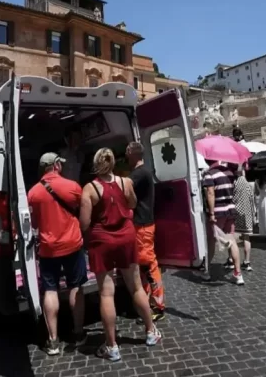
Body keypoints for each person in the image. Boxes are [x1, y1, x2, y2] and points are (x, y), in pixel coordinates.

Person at [79, 148, 160, 362]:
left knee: (106, 294)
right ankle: (151, 331)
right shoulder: (126, 182)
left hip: (102, 242)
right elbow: (132, 204)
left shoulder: (89, 189)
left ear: (95, 164)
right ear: (114, 163)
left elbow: (84, 223)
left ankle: (112, 346)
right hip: (126, 237)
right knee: (136, 287)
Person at [27, 152, 87, 356]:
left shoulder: (33, 193)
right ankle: (78, 333)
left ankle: (53, 341)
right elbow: (83, 210)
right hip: (72, 245)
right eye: (60, 163)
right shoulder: (73, 187)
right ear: (55, 166)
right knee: (75, 286)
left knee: (50, 290)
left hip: (48, 248)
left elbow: (34, 223)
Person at [126, 142, 165, 322]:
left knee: (148, 266)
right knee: (144, 267)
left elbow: (124, 186)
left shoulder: (139, 174)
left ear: (131, 153)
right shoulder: (143, 172)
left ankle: (157, 306)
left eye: (127, 153)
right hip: (142, 224)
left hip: (142, 225)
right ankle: (148, 303)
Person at [202, 160, 244, 285]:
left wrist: (211, 214)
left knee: (211, 241)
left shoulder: (209, 174)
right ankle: (238, 274)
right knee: (231, 240)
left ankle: (206, 271)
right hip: (230, 209)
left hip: (218, 211)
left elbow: (210, 193)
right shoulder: (229, 172)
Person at [229, 163, 253, 272]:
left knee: (232, 236)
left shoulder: (234, 182)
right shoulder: (247, 183)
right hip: (247, 212)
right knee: (246, 236)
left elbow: (232, 197)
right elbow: (251, 198)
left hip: (236, 211)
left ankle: (231, 259)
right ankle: (247, 262)